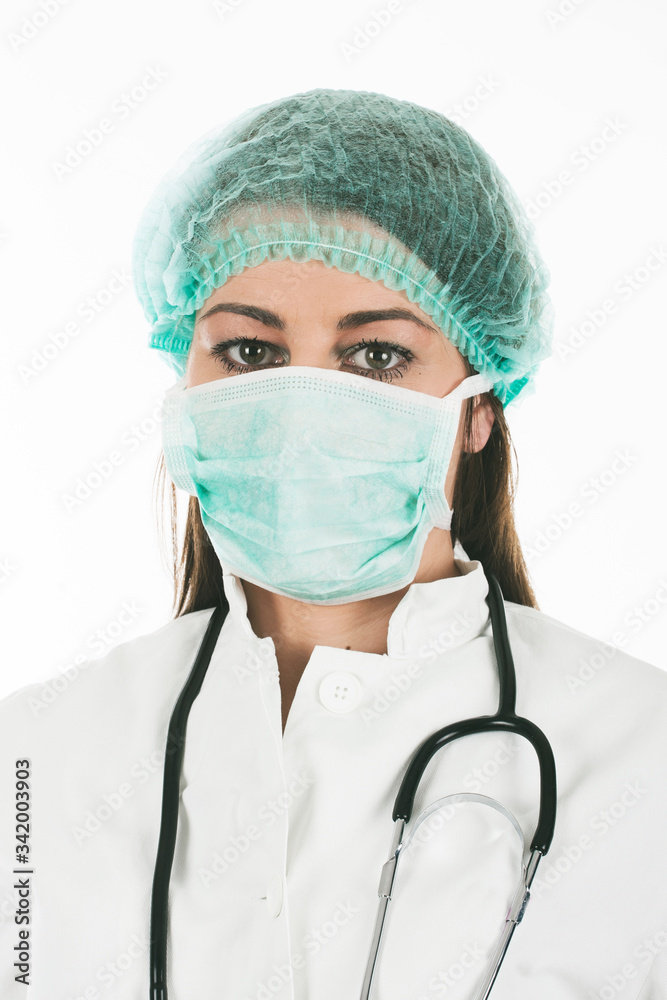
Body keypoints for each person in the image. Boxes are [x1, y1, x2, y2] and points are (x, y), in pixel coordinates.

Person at [1, 87, 666, 1000]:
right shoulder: (32, 759)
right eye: (248, 352)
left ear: (477, 407)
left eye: (376, 356)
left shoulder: (641, 751)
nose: (299, 411)